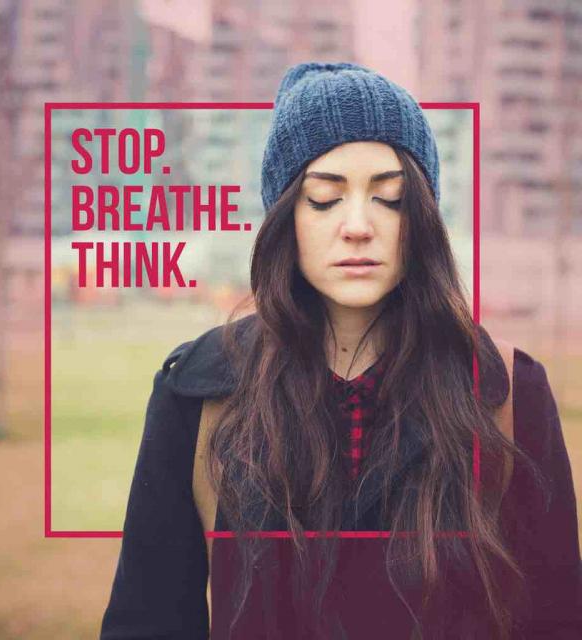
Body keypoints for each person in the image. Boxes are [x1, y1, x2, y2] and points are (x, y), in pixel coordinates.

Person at [100, 63, 581, 639]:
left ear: (423, 217)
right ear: (285, 217)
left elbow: (554, 617)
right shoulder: (200, 391)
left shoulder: (506, 389)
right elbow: (148, 617)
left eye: (391, 198)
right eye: (324, 198)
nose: (358, 225)